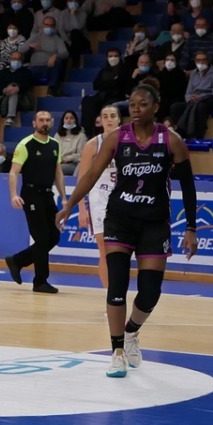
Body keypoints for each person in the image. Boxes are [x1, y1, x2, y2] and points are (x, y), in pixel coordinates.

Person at [54, 81, 199, 379]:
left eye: (142, 104)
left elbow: (188, 186)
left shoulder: (171, 141)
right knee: (116, 287)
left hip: (154, 222)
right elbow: (92, 174)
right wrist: (70, 205)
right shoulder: (117, 138)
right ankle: (117, 352)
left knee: (149, 294)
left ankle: (132, 331)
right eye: (132, 104)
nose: (135, 109)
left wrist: (192, 227)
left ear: (155, 107)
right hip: (119, 219)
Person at [4, 109, 62, 294]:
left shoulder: (55, 145)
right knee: (42, 237)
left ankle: (18, 260)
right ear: (34, 123)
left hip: (47, 195)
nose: (44, 123)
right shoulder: (25, 144)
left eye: (47, 120)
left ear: (51, 123)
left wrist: (65, 197)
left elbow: (58, 172)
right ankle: (40, 281)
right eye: (41, 120)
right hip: (31, 194)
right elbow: (13, 172)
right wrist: (14, 194)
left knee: (54, 236)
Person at [71, 105, 124, 289]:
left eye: (112, 116)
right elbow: (82, 179)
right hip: (99, 200)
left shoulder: (129, 142)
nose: (109, 119)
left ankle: (121, 292)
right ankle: (112, 297)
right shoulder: (92, 145)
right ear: (100, 121)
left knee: (123, 251)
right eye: (105, 116)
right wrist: (81, 209)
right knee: (105, 250)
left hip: (124, 199)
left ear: (119, 119)